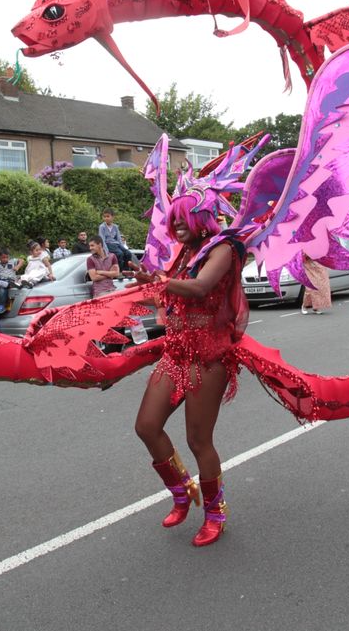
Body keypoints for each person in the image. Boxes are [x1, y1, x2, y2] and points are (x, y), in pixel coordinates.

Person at [130, 195, 248, 547]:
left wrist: (159, 283)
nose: (176, 226)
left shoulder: (223, 249)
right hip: (176, 352)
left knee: (199, 441)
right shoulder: (184, 256)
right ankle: (183, 491)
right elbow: (170, 297)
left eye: (183, 219)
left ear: (202, 219)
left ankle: (215, 514)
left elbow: (200, 288)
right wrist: (137, 292)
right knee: (147, 427)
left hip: (208, 357)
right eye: (173, 221)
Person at [0, 249, 22, 316]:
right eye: (3, 257)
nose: (5, 259)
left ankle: (2, 305)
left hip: (10, 280)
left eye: (7, 257)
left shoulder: (12, 261)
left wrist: (17, 266)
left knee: (2, 289)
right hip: (1, 280)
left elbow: (21, 260)